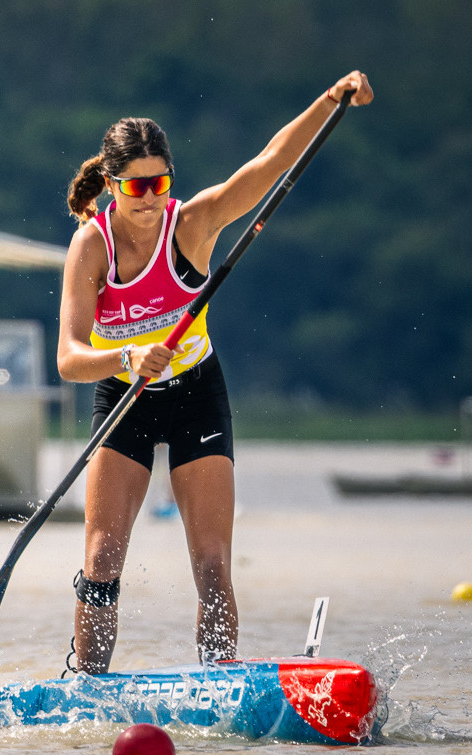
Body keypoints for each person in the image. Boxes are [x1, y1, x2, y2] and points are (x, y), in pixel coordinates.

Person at [57, 71, 373, 674]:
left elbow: (270, 162)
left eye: (160, 181)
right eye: (136, 186)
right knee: (101, 558)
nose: (150, 196)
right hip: (123, 396)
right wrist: (127, 358)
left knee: (211, 563)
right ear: (111, 184)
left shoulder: (194, 223)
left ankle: (219, 684)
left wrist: (331, 100)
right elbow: (69, 358)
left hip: (198, 396)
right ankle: (86, 683)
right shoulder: (91, 248)